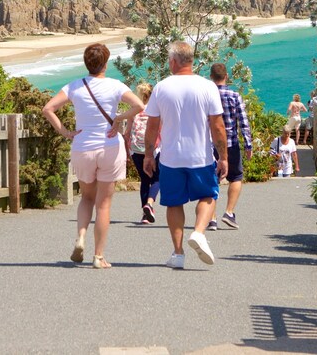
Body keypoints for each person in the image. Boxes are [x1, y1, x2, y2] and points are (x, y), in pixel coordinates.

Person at [41, 43, 144, 269]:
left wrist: (66, 132)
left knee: (87, 197)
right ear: (105, 64)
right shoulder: (115, 86)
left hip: (83, 147)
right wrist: (118, 119)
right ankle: (98, 256)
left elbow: (48, 108)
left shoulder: (74, 87)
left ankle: (80, 237)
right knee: (104, 204)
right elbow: (139, 105)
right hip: (109, 147)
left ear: (87, 63)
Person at [143, 41, 227, 269]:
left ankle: (178, 254)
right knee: (209, 195)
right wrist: (224, 156)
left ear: (173, 61)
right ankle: (199, 232)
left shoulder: (161, 87)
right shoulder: (208, 87)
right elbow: (217, 126)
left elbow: (152, 126)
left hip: (171, 157)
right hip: (201, 156)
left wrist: (149, 155)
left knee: (173, 203)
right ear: (191, 60)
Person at [208, 63, 251, 230]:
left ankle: (211, 218)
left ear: (211, 77)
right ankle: (229, 212)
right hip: (231, 144)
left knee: (212, 180)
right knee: (236, 177)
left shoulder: (206, 96)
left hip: (209, 145)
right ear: (226, 76)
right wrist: (248, 145)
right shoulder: (234, 95)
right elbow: (243, 122)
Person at [124, 82, 160, 224]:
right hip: (153, 149)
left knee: (145, 180)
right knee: (157, 178)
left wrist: (127, 152)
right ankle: (149, 204)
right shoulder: (156, 109)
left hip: (136, 149)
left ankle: (145, 215)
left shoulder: (134, 110)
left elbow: (127, 133)